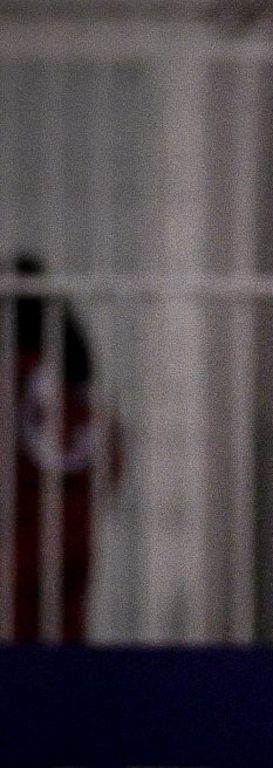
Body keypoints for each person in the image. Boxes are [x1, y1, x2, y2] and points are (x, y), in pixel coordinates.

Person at [3, 254, 120, 643]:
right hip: (75, 536)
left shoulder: (13, 377)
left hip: (18, 540)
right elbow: (111, 457)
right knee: (63, 643)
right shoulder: (75, 380)